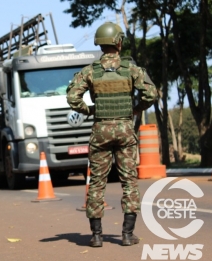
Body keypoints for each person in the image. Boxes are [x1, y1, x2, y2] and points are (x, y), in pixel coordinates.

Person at [66, 22, 158, 248]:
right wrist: (136, 109)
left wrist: (89, 110)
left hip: (100, 132)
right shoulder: (130, 69)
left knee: (97, 182)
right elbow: (152, 94)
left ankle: (96, 236)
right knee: (129, 181)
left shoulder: (91, 71)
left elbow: (72, 98)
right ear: (118, 42)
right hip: (125, 130)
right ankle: (127, 234)